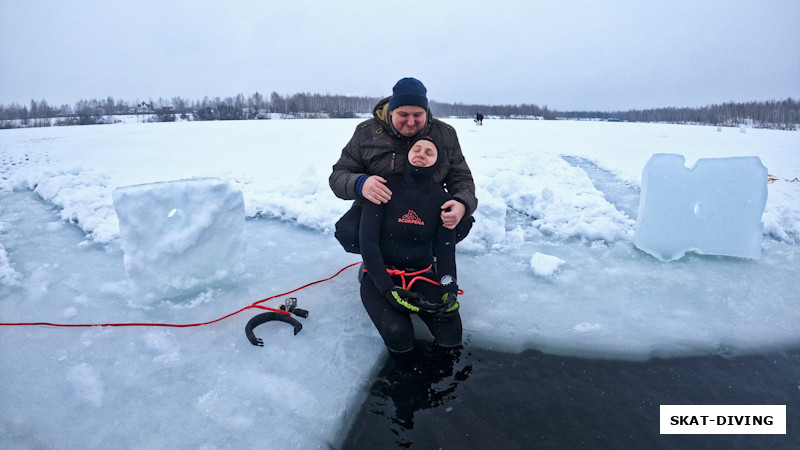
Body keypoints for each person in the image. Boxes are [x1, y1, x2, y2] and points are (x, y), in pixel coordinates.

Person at [329, 77, 478, 254]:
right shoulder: (365, 132)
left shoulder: (445, 134)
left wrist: (462, 203)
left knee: (462, 223)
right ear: (391, 111)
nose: (410, 122)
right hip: (379, 209)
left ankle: (424, 256)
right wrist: (360, 183)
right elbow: (339, 174)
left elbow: (461, 177)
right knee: (348, 232)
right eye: (403, 115)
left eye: (417, 115)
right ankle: (379, 258)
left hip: (427, 208)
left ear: (426, 112)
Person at [358, 136, 463, 360]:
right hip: (380, 275)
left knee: (451, 331)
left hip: (421, 275)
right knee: (398, 333)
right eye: (416, 149)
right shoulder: (384, 189)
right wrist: (388, 289)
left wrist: (449, 291)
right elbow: (368, 244)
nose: (421, 154)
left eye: (429, 152)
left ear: (437, 161)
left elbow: (445, 251)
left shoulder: (442, 200)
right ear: (407, 154)